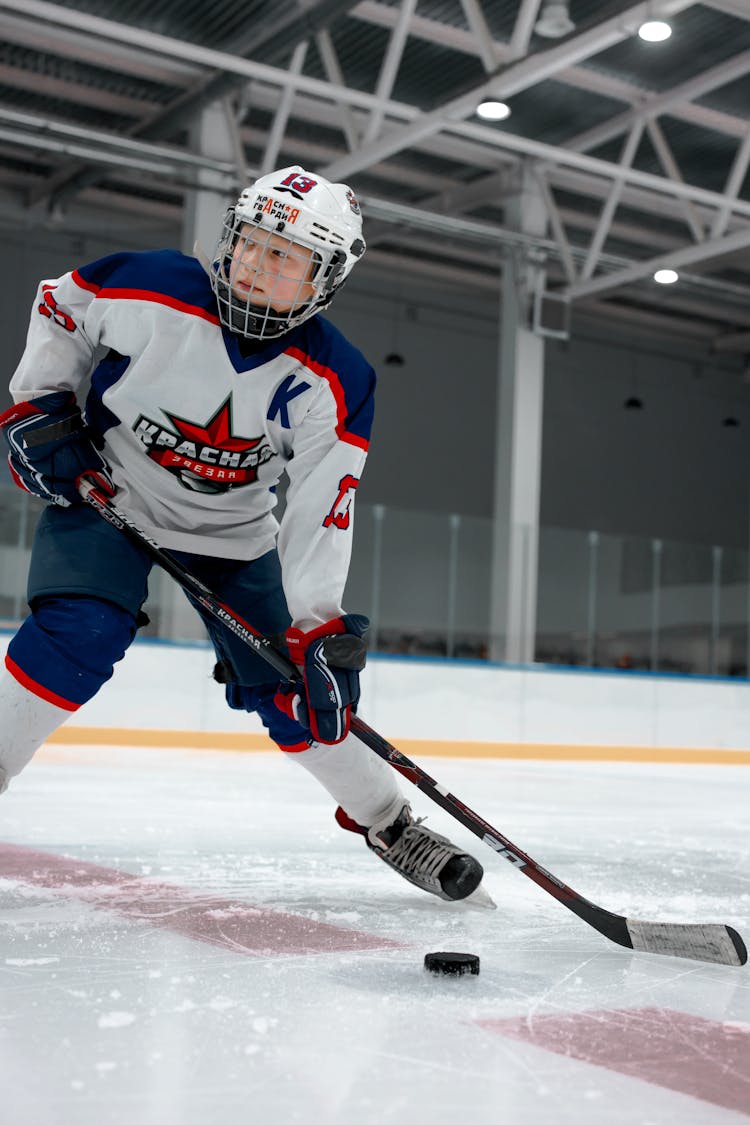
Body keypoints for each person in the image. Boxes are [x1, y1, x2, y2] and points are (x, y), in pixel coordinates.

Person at [0, 165, 489, 906]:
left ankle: (389, 822)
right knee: (78, 630)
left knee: (302, 697)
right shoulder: (150, 285)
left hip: (234, 535)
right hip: (112, 495)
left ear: (323, 279)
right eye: (250, 244)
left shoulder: (336, 378)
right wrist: (38, 402)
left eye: (284, 258)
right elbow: (60, 308)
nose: (257, 266)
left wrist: (317, 624)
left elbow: (321, 508)